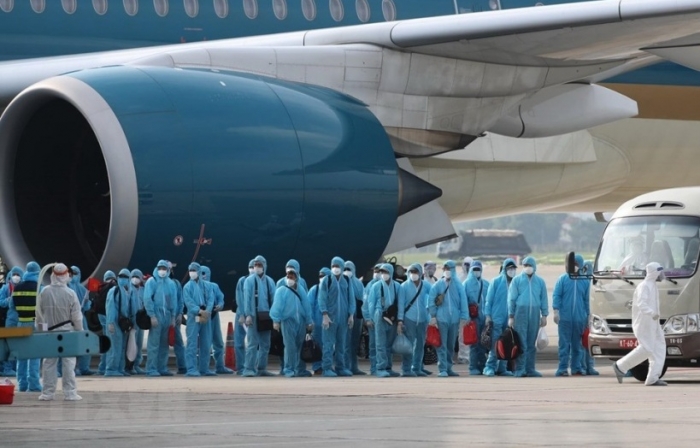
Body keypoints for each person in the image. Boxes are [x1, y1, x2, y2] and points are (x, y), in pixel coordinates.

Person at [613, 262, 668, 386]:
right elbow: (642, 304)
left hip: (653, 323)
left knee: (659, 348)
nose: (661, 275)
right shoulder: (644, 286)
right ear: (654, 272)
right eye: (659, 271)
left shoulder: (653, 285)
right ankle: (620, 366)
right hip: (644, 323)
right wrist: (651, 312)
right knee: (647, 348)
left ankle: (652, 378)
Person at [35, 263, 84, 401]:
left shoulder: (44, 291)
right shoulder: (70, 293)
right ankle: (70, 393)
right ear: (66, 274)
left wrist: (42, 332)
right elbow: (77, 316)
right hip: (67, 333)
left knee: (49, 364)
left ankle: (47, 393)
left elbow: (39, 315)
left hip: (50, 334)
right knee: (69, 364)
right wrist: (80, 331)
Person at [508, 256, 548, 377]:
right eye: (525, 265)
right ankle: (520, 369)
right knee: (521, 343)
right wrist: (511, 315)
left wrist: (544, 315)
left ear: (534, 266)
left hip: (535, 315)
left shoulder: (540, 282)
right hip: (521, 314)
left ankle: (530, 369)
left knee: (531, 343)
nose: (527, 268)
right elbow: (511, 299)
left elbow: (544, 299)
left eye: (529, 265)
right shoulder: (517, 280)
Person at [428, 260, 469, 377]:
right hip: (441, 319)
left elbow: (463, 301)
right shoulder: (438, 285)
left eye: (449, 268)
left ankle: (449, 367)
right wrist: (433, 315)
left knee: (451, 344)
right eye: (445, 268)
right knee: (442, 344)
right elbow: (431, 300)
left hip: (454, 319)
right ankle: (442, 368)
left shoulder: (458, 285)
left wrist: (464, 316)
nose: (447, 271)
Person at [270, 269, 314, 377]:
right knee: (289, 346)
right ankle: (288, 369)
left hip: (301, 322)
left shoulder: (301, 290)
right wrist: (276, 320)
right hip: (287, 321)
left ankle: (299, 369)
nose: (290, 278)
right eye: (288, 276)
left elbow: (306, 306)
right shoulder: (281, 290)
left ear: (296, 277)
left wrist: (309, 321)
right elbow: (277, 305)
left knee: (299, 346)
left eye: (292, 276)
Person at [552, 254, 589, 376]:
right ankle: (562, 368)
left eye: (577, 264)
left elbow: (587, 300)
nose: (575, 266)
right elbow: (557, 295)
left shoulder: (585, 281)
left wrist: (588, 315)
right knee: (564, 345)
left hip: (579, 319)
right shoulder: (563, 279)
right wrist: (556, 311)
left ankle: (576, 368)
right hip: (565, 318)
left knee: (577, 345)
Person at [318, 256, 355, 377]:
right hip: (330, 318)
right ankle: (327, 368)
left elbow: (351, 298)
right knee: (328, 344)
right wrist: (324, 314)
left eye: (337, 266)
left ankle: (340, 367)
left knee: (341, 344)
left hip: (343, 318)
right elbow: (322, 298)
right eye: (333, 266)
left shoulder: (347, 280)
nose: (335, 268)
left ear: (342, 267)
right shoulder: (326, 280)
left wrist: (351, 314)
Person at [242, 255, 276, 377]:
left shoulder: (270, 282)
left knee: (265, 344)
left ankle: (262, 368)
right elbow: (247, 299)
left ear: (264, 266)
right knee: (252, 343)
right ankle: (249, 368)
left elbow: (274, 300)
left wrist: (274, 316)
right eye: (255, 265)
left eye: (259, 265)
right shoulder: (249, 281)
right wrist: (248, 315)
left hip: (266, 316)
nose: (257, 267)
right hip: (254, 316)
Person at [11, 261, 43, 392]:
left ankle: (22, 384)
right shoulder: (39, 287)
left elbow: (11, 307)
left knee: (21, 355)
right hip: (34, 323)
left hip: (21, 323)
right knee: (34, 355)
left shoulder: (17, 288)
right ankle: (34, 384)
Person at [483, 258, 517, 377]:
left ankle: (502, 368)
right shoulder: (496, 281)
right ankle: (490, 367)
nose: (511, 270)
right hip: (497, 317)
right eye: (509, 268)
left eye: (513, 268)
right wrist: (488, 315)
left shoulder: (516, 282)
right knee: (495, 344)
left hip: (509, 319)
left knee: (507, 344)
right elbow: (489, 300)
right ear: (504, 269)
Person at [144, 260, 177, 377]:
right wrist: (152, 315)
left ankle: (162, 367)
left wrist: (173, 317)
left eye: (164, 268)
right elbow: (147, 299)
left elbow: (173, 301)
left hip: (167, 316)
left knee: (164, 344)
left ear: (168, 270)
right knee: (154, 344)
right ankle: (151, 368)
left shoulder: (170, 283)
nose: (162, 270)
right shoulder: (152, 282)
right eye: (160, 268)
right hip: (157, 314)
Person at [367, 263, 400, 378]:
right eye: (382, 272)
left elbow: (399, 303)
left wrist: (400, 319)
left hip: (392, 317)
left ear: (390, 273)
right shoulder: (376, 286)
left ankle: (388, 367)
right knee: (380, 343)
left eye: (385, 272)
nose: (383, 274)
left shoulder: (397, 286)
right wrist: (372, 318)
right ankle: (380, 367)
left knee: (389, 344)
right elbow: (371, 303)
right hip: (380, 316)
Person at [183, 262, 216, 377]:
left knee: (206, 343)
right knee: (192, 343)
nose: (192, 272)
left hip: (205, 316)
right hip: (194, 317)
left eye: (194, 270)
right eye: (190, 270)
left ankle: (204, 368)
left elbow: (211, 298)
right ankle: (191, 368)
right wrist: (198, 311)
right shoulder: (187, 287)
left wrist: (208, 311)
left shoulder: (207, 285)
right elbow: (188, 302)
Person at [397, 263, 430, 377]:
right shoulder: (404, 286)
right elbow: (401, 304)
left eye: (415, 272)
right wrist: (400, 320)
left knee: (420, 344)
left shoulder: (425, 285)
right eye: (411, 272)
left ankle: (417, 367)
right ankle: (406, 369)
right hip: (409, 318)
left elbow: (433, 296)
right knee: (409, 345)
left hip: (422, 318)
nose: (413, 274)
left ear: (420, 273)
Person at [201, 266, 233, 374]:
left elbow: (220, 297)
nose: (203, 275)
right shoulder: (195, 286)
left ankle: (220, 366)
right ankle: (202, 367)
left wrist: (220, 305)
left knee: (218, 342)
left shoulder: (214, 286)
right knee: (204, 342)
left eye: (205, 273)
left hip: (214, 315)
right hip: (202, 315)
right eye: (201, 273)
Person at [105, 268, 134, 376]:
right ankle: (111, 369)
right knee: (114, 347)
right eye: (121, 277)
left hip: (121, 324)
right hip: (115, 323)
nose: (123, 279)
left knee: (120, 347)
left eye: (125, 277)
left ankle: (119, 368)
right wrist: (111, 322)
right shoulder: (115, 291)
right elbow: (111, 307)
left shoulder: (125, 291)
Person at [68, 266, 95, 376]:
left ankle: (75, 368)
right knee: (84, 342)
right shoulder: (82, 289)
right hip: (78, 318)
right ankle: (81, 368)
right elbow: (87, 307)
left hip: (69, 319)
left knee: (72, 344)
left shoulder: (66, 287)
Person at [464, 260, 489, 375]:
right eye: (474, 269)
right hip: (472, 318)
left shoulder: (486, 284)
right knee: (474, 343)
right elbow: (463, 302)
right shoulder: (466, 284)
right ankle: (473, 366)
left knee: (483, 343)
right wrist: (466, 317)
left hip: (484, 318)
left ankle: (483, 365)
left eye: (478, 269)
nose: (476, 272)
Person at [344, 260, 366, 375]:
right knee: (345, 343)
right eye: (345, 269)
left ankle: (354, 367)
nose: (347, 271)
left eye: (349, 269)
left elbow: (363, 299)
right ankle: (346, 366)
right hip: (345, 317)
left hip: (357, 317)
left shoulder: (358, 283)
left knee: (354, 343)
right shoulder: (341, 282)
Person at [0, 266, 22, 376]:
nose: (16, 277)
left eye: (18, 275)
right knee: (9, 344)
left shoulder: (23, 287)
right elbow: (1, 302)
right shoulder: (5, 288)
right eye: (15, 274)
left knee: (20, 344)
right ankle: (7, 368)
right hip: (11, 318)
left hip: (21, 318)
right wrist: (8, 301)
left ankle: (16, 367)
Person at [234, 260, 254, 375]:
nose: (252, 269)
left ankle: (251, 366)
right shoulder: (242, 280)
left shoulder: (260, 282)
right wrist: (242, 314)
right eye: (250, 267)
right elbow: (239, 297)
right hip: (241, 315)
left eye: (254, 266)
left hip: (253, 316)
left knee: (253, 343)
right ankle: (241, 367)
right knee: (239, 342)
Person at [579, 260, 599, 375]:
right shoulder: (583, 282)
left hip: (590, 315)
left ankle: (589, 366)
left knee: (588, 342)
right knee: (582, 343)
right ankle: (583, 366)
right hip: (582, 315)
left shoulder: (592, 282)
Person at [96, 271, 117, 375]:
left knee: (104, 343)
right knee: (111, 344)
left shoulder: (101, 287)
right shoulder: (113, 288)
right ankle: (109, 368)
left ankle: (102, 367)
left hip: (101, 316)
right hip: (109, 317)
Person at [362, 264, 382, 375]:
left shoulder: (391, 285)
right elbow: (365, 304)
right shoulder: (370, 286)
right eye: (376, 270)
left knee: (384, 345)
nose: (377, 273)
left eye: (379, 271)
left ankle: (384, 366)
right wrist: (368, 318)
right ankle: (374, 367)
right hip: (373, 321)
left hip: (385, 321)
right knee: (373, 345)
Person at [168, 261, 187, 375]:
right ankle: (158, 367)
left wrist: (180, 313)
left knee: (178, 342)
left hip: (174, 317)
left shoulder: (175, 284)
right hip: (162, 318)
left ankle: (182, 366)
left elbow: (180, 300)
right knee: (159, 344)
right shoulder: (155, 283)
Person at [309, 268, 329, 375]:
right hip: (316, 324)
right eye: (320, 276)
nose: (321, 278)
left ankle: (327, 366)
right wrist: (310, 321)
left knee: (328, 346)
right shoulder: (314, 290)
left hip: (329, 324)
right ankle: (317, 367)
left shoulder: (332, 290)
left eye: (324, 276)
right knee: (316, 347)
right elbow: (309, 306)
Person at [129, 269, 147, 374]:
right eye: (133, 276)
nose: (135, 279)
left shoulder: (142, 290)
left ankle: (137, 364)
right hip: (132, 320)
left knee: (139, 344)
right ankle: (129, 365)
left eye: (137, 277)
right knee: (131, 345)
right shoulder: (128, 289)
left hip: (140, 320)